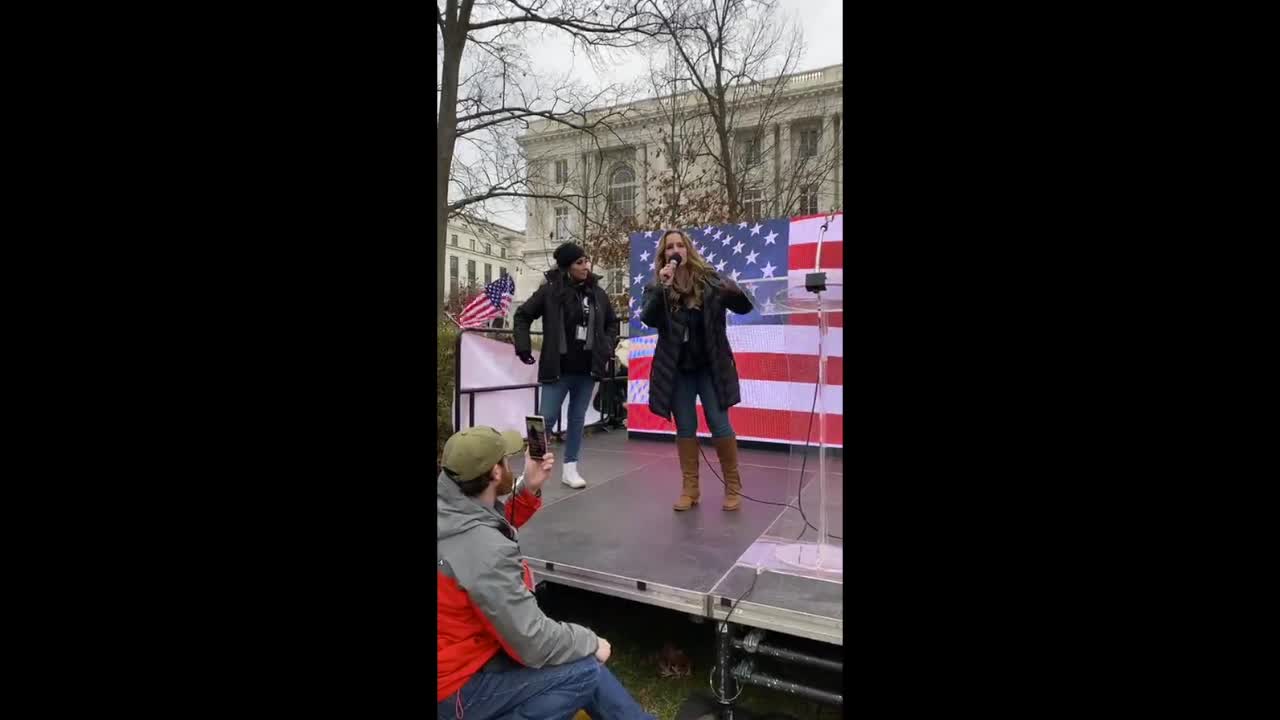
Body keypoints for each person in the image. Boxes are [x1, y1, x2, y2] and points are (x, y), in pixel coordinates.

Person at [437, 426, 654, 720]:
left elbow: (484, 522)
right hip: (457, 689)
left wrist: (528, 487)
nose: (509, 464)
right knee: (584, 670)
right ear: (495, 473)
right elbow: (532, 642)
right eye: (505, 460)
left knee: (578, 661)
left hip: (466, 654)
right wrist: (591, 641)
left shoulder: (451, 509)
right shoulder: (485, 552)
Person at [640, 230, 754, 511]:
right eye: (670, 247)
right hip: (677, 369)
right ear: (663, 254)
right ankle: (690, 488)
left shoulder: (710, 279)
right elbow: (648, 318)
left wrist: (735, 291)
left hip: (710, 366)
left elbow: (743, 307)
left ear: (689, 249)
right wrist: (663, 288)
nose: (675, 250)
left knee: (719, 422)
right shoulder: (658, 284)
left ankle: (732, 486)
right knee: (686, 426)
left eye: (680, 245)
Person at [513, 242, 619, 489]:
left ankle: (570, 469)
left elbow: (611, 323)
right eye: (579, 262)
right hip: (557, 368)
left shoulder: (597, 293)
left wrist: (605, 347)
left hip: (587, 369)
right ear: (567, 267)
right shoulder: (550, 291)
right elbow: (522, 315)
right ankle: (530, 471)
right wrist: (523, 346)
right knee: (543, 420)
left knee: (577, 419)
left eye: (586, 261)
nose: (586, 266)